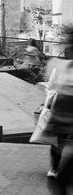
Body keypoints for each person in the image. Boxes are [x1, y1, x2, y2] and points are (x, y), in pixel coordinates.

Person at [45, 29, 73, 192]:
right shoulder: (62, 67)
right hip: (64, 109)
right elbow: (52, 87)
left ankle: (58, 172)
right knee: (58, 142)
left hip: (64, 110)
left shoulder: (62, 66)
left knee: (59, 142)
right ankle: (56, 170)